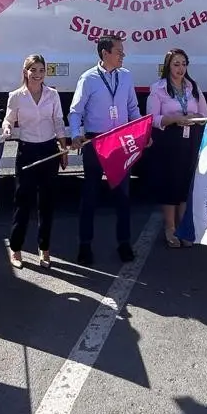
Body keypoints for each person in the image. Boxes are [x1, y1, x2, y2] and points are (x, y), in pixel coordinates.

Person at [69, 35, 140, 265]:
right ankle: (84, 245)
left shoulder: (126, 77)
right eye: (119, 51)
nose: (123, 55)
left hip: (119, 142)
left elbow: (132, 108)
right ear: (104, 53)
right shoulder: (88, 79)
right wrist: (75, 135)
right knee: (90, 196)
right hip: (95, 142)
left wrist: (142, 132)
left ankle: (124, 243)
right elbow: (75, 112)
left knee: (123, 196)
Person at [2, 54, 68, 269]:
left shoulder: (53, 95)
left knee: (46, 203)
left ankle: (44, 248)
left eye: (41, 70)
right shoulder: (16, 96)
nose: (37, 74)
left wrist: (63, 148)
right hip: (27, 151)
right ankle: (16, 248)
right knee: (22, 202)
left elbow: (58, 121)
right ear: (25, 72)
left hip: (48, 150)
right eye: (33, 70)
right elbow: (9, 118)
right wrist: (7, 128)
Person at [146, 48, 207, 248]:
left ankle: (183, 227)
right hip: (168, 140)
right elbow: (152, 119)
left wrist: (195, 118)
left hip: (190, 140)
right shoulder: (158, 89)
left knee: (186, 183)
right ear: (168, 66)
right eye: (176, 64)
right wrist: (175, 119)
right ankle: (170, 227)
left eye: (183, 64)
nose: (180, 68)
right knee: (170, 183)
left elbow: (205, 115)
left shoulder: (193, 87)